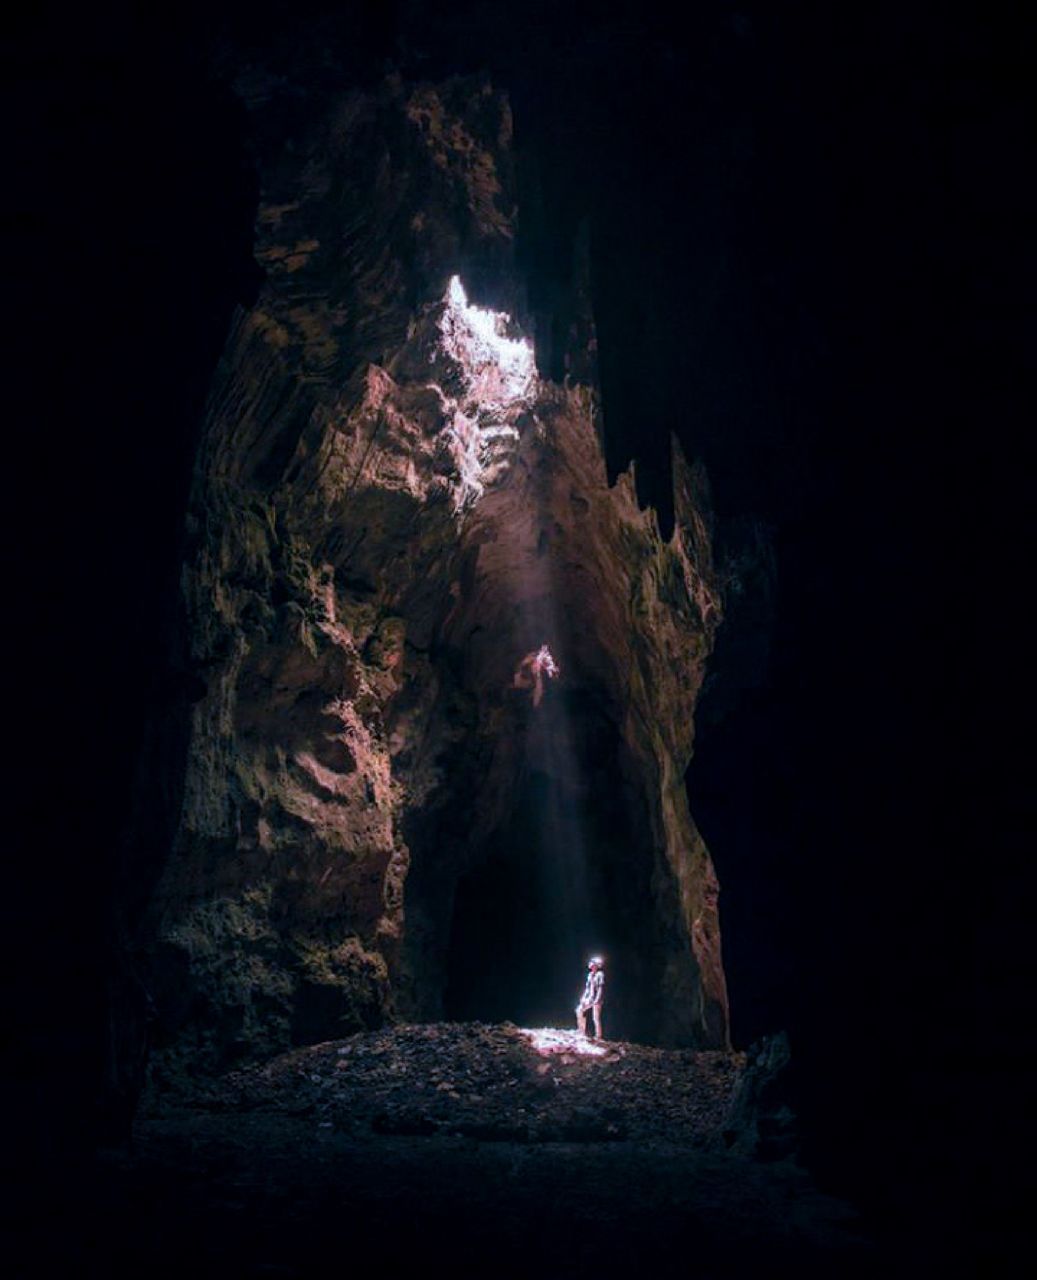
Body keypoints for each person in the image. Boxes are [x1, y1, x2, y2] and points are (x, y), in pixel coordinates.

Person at [575, 956, 605, 1039]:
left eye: (592, 962)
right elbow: (587, 988)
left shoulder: (600, 975)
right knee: (579, 1010)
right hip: (590, 998)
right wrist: (583, 997)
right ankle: (581, 1031)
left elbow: (600, 988)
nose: (590, 964)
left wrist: (597, 1000)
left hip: (597, 999)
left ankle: (598, 1036)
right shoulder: (590, 975)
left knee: (595, 1017)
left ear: (595, 965)